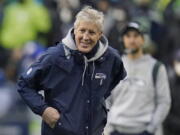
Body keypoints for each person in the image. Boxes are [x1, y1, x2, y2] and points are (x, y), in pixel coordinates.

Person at [17, 6, 126, 135]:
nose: (85, 37)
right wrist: (44, 110)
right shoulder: (54, 56)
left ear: (100, 35)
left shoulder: (111, 58)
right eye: (82, 31)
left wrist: (103, 107)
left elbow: (119, 83)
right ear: (75, 30)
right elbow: (24, 84)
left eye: (91, 32)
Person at [106, 21, 171, 135]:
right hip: (117, 130)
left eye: (136, 36)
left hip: (146, 130)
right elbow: (105, 100)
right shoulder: (114, 66)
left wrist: (151, 129)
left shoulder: (156, 67)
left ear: (143, 39)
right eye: (128, 36)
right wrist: (109, 129)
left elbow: (164, 102)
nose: (132, 40)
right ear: (122, 39)